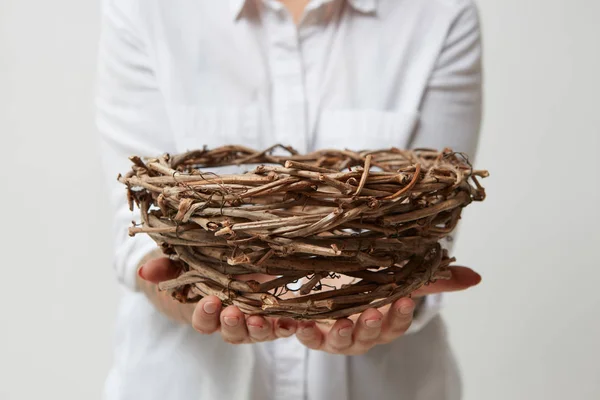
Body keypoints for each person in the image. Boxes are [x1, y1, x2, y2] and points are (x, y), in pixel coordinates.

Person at [96, 0, 483, 399]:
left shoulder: (439, 10)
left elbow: (426, 217)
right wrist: (189, 293)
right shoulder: (144, 8)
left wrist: (390, 293)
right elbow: (142, 224)